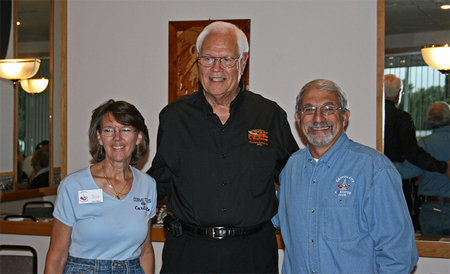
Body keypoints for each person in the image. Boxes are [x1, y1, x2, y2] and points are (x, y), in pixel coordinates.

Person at [148, 21, 299, 273]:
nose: (216, 68)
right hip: (188, 255)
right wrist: (114, 185)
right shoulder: (174, 117)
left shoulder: (269, 115)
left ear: (244, 60)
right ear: (197, 59)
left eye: (227, 59)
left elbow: (296, 178)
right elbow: (157, 181)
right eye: (208, 58)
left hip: (253, 255)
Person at [272, 79, 418, 273]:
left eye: (328, 109)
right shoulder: (291, 168)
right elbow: (269, 216)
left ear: (345, 116)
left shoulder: (373, 169)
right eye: (309, 109)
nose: (318, 118)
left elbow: (398, 254)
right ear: (298, 118)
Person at [45, 100, 157, 274]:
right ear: (99, 137)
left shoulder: (148, 185)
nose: (117, 137)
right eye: (108, 130)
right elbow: (56, 257)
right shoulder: (73, 185)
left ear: (138, 137)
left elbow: (146, 252)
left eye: (125, 129)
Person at [396, 102, 450, 235]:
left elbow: (407, 172)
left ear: (427, 121)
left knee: (432, 253)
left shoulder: (424, 144)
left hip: (433, 209)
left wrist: (384, 159)